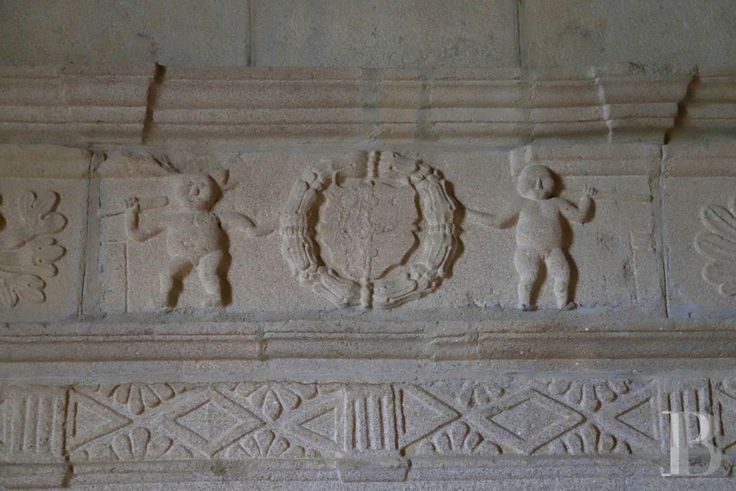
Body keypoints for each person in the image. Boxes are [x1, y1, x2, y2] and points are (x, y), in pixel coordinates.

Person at [470, 164, 596, 310]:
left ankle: (562, 303)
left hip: (553, 249)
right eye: (532, 181)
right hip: (528, 249)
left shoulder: (556, 203)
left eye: (544, 180)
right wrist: (469, 214)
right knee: (529, 276)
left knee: (563, 274)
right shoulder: (521, 202)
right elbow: (498, 221)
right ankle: (524, 303)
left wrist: (586, 199)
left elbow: (580, 216)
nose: (538, 185)